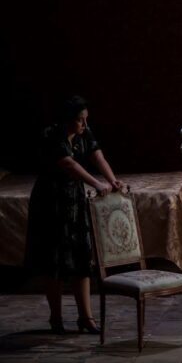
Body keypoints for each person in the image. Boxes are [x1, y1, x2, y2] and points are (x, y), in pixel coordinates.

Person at [24, 95, 122, 334]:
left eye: (86, 119)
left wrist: (112, 180)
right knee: (54, 260)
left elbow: (97, 156)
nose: (84, 124)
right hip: (51, 201)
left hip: (74, 200)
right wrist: (96, 184)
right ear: (66, 119)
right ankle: (56, 319)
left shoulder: (83, 132)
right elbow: (69, 164)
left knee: (81, 257)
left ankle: (86, 318)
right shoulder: (51, 135)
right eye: (80, 120)